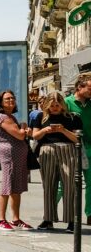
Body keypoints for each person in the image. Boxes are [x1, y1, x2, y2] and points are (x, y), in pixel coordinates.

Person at [31, 91, 82, 230]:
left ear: (62, 105)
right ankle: (48, 219)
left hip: (68, 150)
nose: (54, 108)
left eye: (57, 105)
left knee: (70, 186)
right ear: (47, 105)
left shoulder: (73, 117)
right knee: (48, 186)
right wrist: (45, 131)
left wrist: (63, 130)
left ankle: (72, 220)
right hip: (47, 151)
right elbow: (35, 136)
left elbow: (77, 139)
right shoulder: (40, 117)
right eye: (52, 105)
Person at [0, 90, 32, 231]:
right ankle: (1, 220)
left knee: (16, 187)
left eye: (12, 98)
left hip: (18, 155)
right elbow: (20, 135)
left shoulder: (11, 117)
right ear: (1, 103)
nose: (11, 100)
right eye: (7, 99)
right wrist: (23, 127)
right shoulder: (2, 117)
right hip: (9, 155)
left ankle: (16, 219)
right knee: (7, 185)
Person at [64, 73, 91, 226]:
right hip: (72, 148)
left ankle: (90, 213)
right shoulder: (67, 103)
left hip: (90, 147)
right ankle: (50, 214)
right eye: (90, 88)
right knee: (65, 183)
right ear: (79, 87)